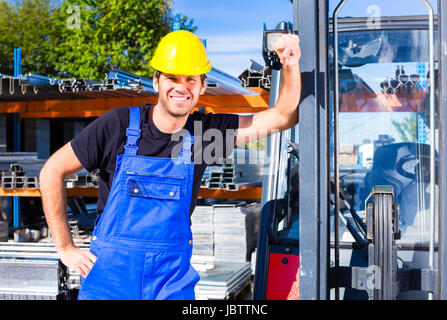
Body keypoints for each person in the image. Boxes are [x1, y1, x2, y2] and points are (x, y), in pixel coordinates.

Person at [39, 30, 301, 300]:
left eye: (190, 79)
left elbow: (283, 117)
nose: (181, 86)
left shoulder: (205, 135)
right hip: (110, 281)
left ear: (202, 86)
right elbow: (51, 172)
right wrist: (65, 247)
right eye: (172, 78)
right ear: (156, 82)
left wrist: (290, 65)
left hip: (169, 283)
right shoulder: (118, 125)